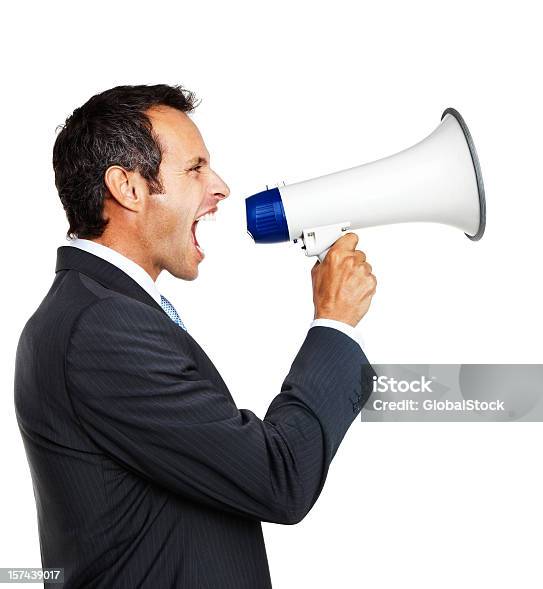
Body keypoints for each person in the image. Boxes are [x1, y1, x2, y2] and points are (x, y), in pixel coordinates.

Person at [14, 84, 377, 588]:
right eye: (195, 168)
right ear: (128, 188)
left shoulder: (93, 309)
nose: (220, 187)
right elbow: (280, 477)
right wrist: (333, 323)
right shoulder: (101, 327)